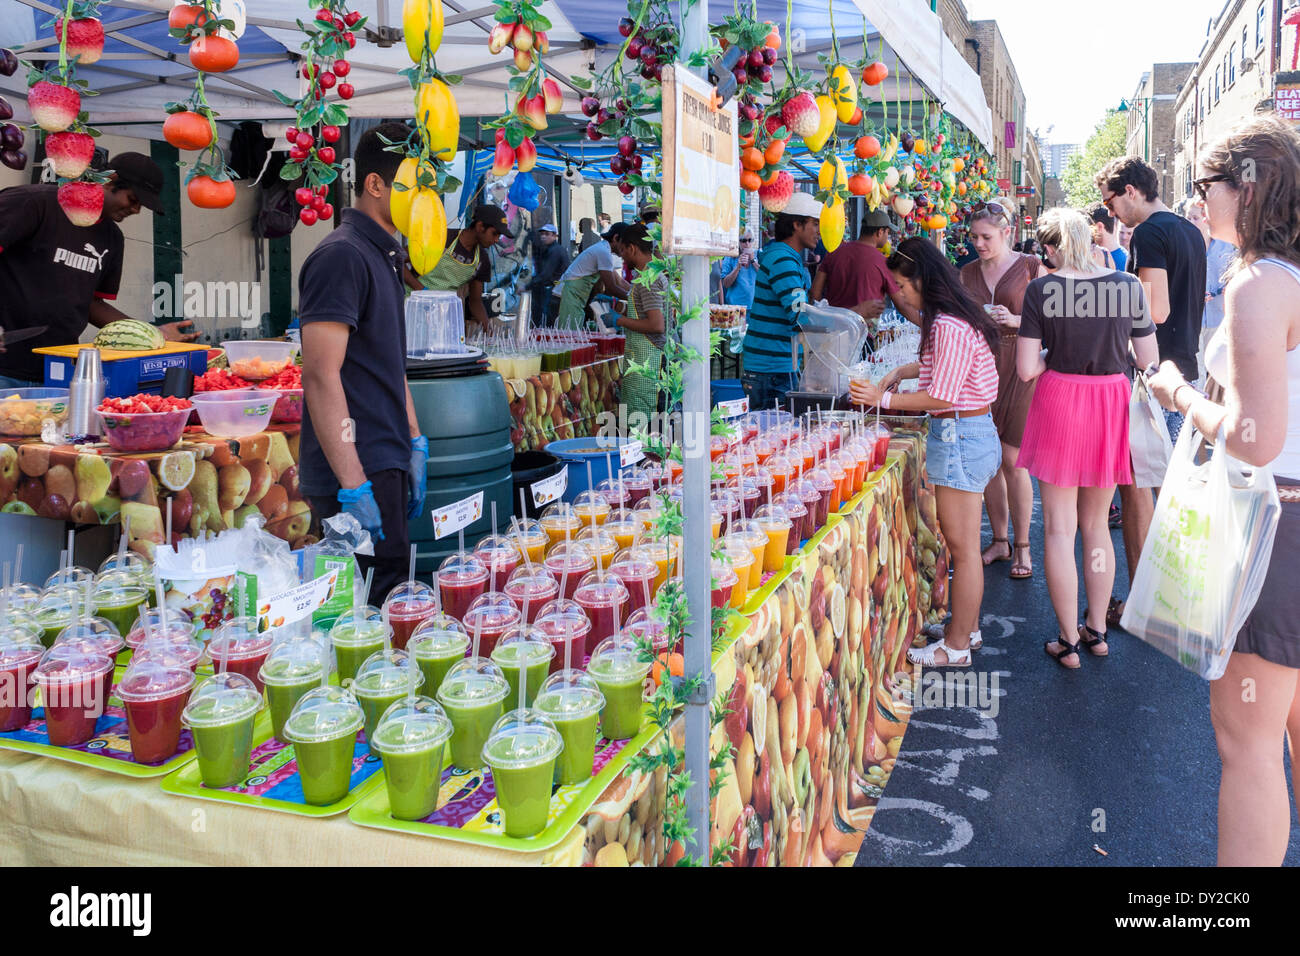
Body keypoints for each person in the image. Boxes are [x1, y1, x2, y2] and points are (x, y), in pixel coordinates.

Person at [1148, 114, 1300, 866]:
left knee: (1246, 746)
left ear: (1247, 187)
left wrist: (1177, 390)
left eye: (1203, 186)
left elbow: (1253, 438)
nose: (1197, 201)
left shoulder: (1259, 283)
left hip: (1271, 527)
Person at [1014, 209, 1158, 669]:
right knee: (1097, 526)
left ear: (1053, 247)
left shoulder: (1042, 290)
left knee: (1058, 528)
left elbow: (1026, 369)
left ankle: (1067, 640)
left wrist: (1059, 347)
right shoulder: (1128, 285)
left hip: (1060, 401)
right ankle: (1097, 629)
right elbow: (1148, 360)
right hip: (1110, 403)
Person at [849, 238, 1001, 667]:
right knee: (963, 545)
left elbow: (940, 395)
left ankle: (955, 649)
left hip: (960, 435)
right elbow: (942, 368)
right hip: (967, 433)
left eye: (902, 284)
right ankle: (963, 629)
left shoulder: (949, 324)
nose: (900, 294)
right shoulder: (952, 319)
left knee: (964, 547)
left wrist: (883, 399)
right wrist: (899, 371)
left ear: (922, 280)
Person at [299, 122, 427, 601]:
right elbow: (319, 374)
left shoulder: (386, 256)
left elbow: (389, 364)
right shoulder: (342, 256)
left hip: (385, 454)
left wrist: (415, 441)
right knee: (363, 613)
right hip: (355, 464)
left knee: (392, 595)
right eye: (414, 186)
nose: (425, 201)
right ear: (376, 185)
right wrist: (353, 484)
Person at [1097, 155, 1206, 628]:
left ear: (1132, 191)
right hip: (1183, 375)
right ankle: (1172, 601)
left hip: (1152, 380)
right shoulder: (1188, 229)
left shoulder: (1148, 233)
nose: (1111, 212)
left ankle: (1143, 603)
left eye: (1111, 200)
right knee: (1171, 491)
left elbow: (1154, 310)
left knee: (1139, 486)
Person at [0, 152, 198, 387]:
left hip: (59, 368)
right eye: (133, 199)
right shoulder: (34, 204)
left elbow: (92, 303)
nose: (135, 211)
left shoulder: (112, 238)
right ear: (109, 180)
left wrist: (150, 334)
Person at [959, 198, 1041, 581]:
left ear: (1007, 232)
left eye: (986, 236)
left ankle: (1023, 545)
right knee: (988, 458)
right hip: (980, 369)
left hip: (1021, 366)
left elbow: (1054, 319)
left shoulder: (1031, 268)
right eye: (974, 237)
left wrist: (1016, 319)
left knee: (1013, 459)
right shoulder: (966, 274)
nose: (978, 243)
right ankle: (1000, 539)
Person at [741, 192, 822, 411]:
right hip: (771, 372)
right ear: (797, 224)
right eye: (815, 224)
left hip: (775, 368)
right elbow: (799, 316)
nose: (819, 231)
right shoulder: (783, 258)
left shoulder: (785, 255)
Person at [416, 205, 512, 336]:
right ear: (480, 226)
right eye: (494, 233)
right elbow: (400, 260)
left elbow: (475, 301)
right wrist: (422, 291)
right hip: (414, 306)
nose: (496, 240)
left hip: (439, 315)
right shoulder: (443, 238)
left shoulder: (482, 260)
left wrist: (487, 328)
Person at [608, 224, 670, 426]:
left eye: (623, 251)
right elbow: (645, 311)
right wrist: (621, 309)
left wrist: (619, 321)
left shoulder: (649, 280)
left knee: (647, 430)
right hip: (643, 362)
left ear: (632, 248)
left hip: (651, 363)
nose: (623, 257)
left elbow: (656, 324)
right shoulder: (646, 276)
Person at [1174, 197, 1237, 373]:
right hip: (1192, 317)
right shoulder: (1181, 246)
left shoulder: (1226, 246)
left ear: (1205, 218)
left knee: (1219, 367)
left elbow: (1235, 273)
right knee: (1197, 367)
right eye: (1188, 217)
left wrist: (1229, 285)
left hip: (1219, 315)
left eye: (1194, 218)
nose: (1190, 222)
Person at [810, 208, 896, 322]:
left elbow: (815, 293)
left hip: (834, 327)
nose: (887, 237)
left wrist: (821, 317)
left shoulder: (834, 253)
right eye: (887, 232)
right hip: (863, 331)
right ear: (880, 232)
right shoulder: (882, 261)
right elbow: (900, 301)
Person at [553, 222, 631, 329]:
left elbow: (619, 282)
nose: (626, 249)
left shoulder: (603, 249)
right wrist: (633, 300)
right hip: (569, 295)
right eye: (625, 244)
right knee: (568, 335)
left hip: (574, 296)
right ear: (616, 238)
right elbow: (612, 287)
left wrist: (635, 292)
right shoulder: (603, 252)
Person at [527, 223, 568, 329]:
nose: (543, 236)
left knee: (547, 320)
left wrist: (527, 286)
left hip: (553, 287)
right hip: (555, 287)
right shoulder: (552, 249)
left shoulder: (555, 251)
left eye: (547, 234)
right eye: (542, 234)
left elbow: (546, 274)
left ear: (555, 236)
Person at [718, 233, 760, 310]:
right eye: (743, 241)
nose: (747, 244)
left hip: (756, 307)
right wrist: (737, 268)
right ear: (738, 242)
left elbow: (765, 276)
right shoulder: (730, 257)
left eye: (750, 240)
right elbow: (725, 284)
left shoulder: (758, 255)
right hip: (736, 307)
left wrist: (753, 261)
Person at [1087, 202, 1128, 272]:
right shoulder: (1127, 258)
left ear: (1099, 227)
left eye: (1088, 228)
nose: (1086, 233)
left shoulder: (1127, 263)